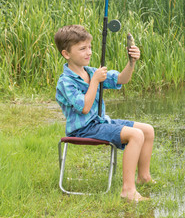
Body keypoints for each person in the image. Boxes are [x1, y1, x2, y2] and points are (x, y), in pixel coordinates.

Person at [54, 25, 154, 202]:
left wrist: (131, 63)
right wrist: (94, 82)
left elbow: (122, 79)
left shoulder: (92, 72)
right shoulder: (66, 82)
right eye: (82, 49)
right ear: (66, 54)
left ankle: (144, 177)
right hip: (83, 129)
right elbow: (84, 107)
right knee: (136, 135)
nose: (89, 52)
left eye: (90, 47)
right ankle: (128, 191)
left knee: (147, 130)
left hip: (100, 123)